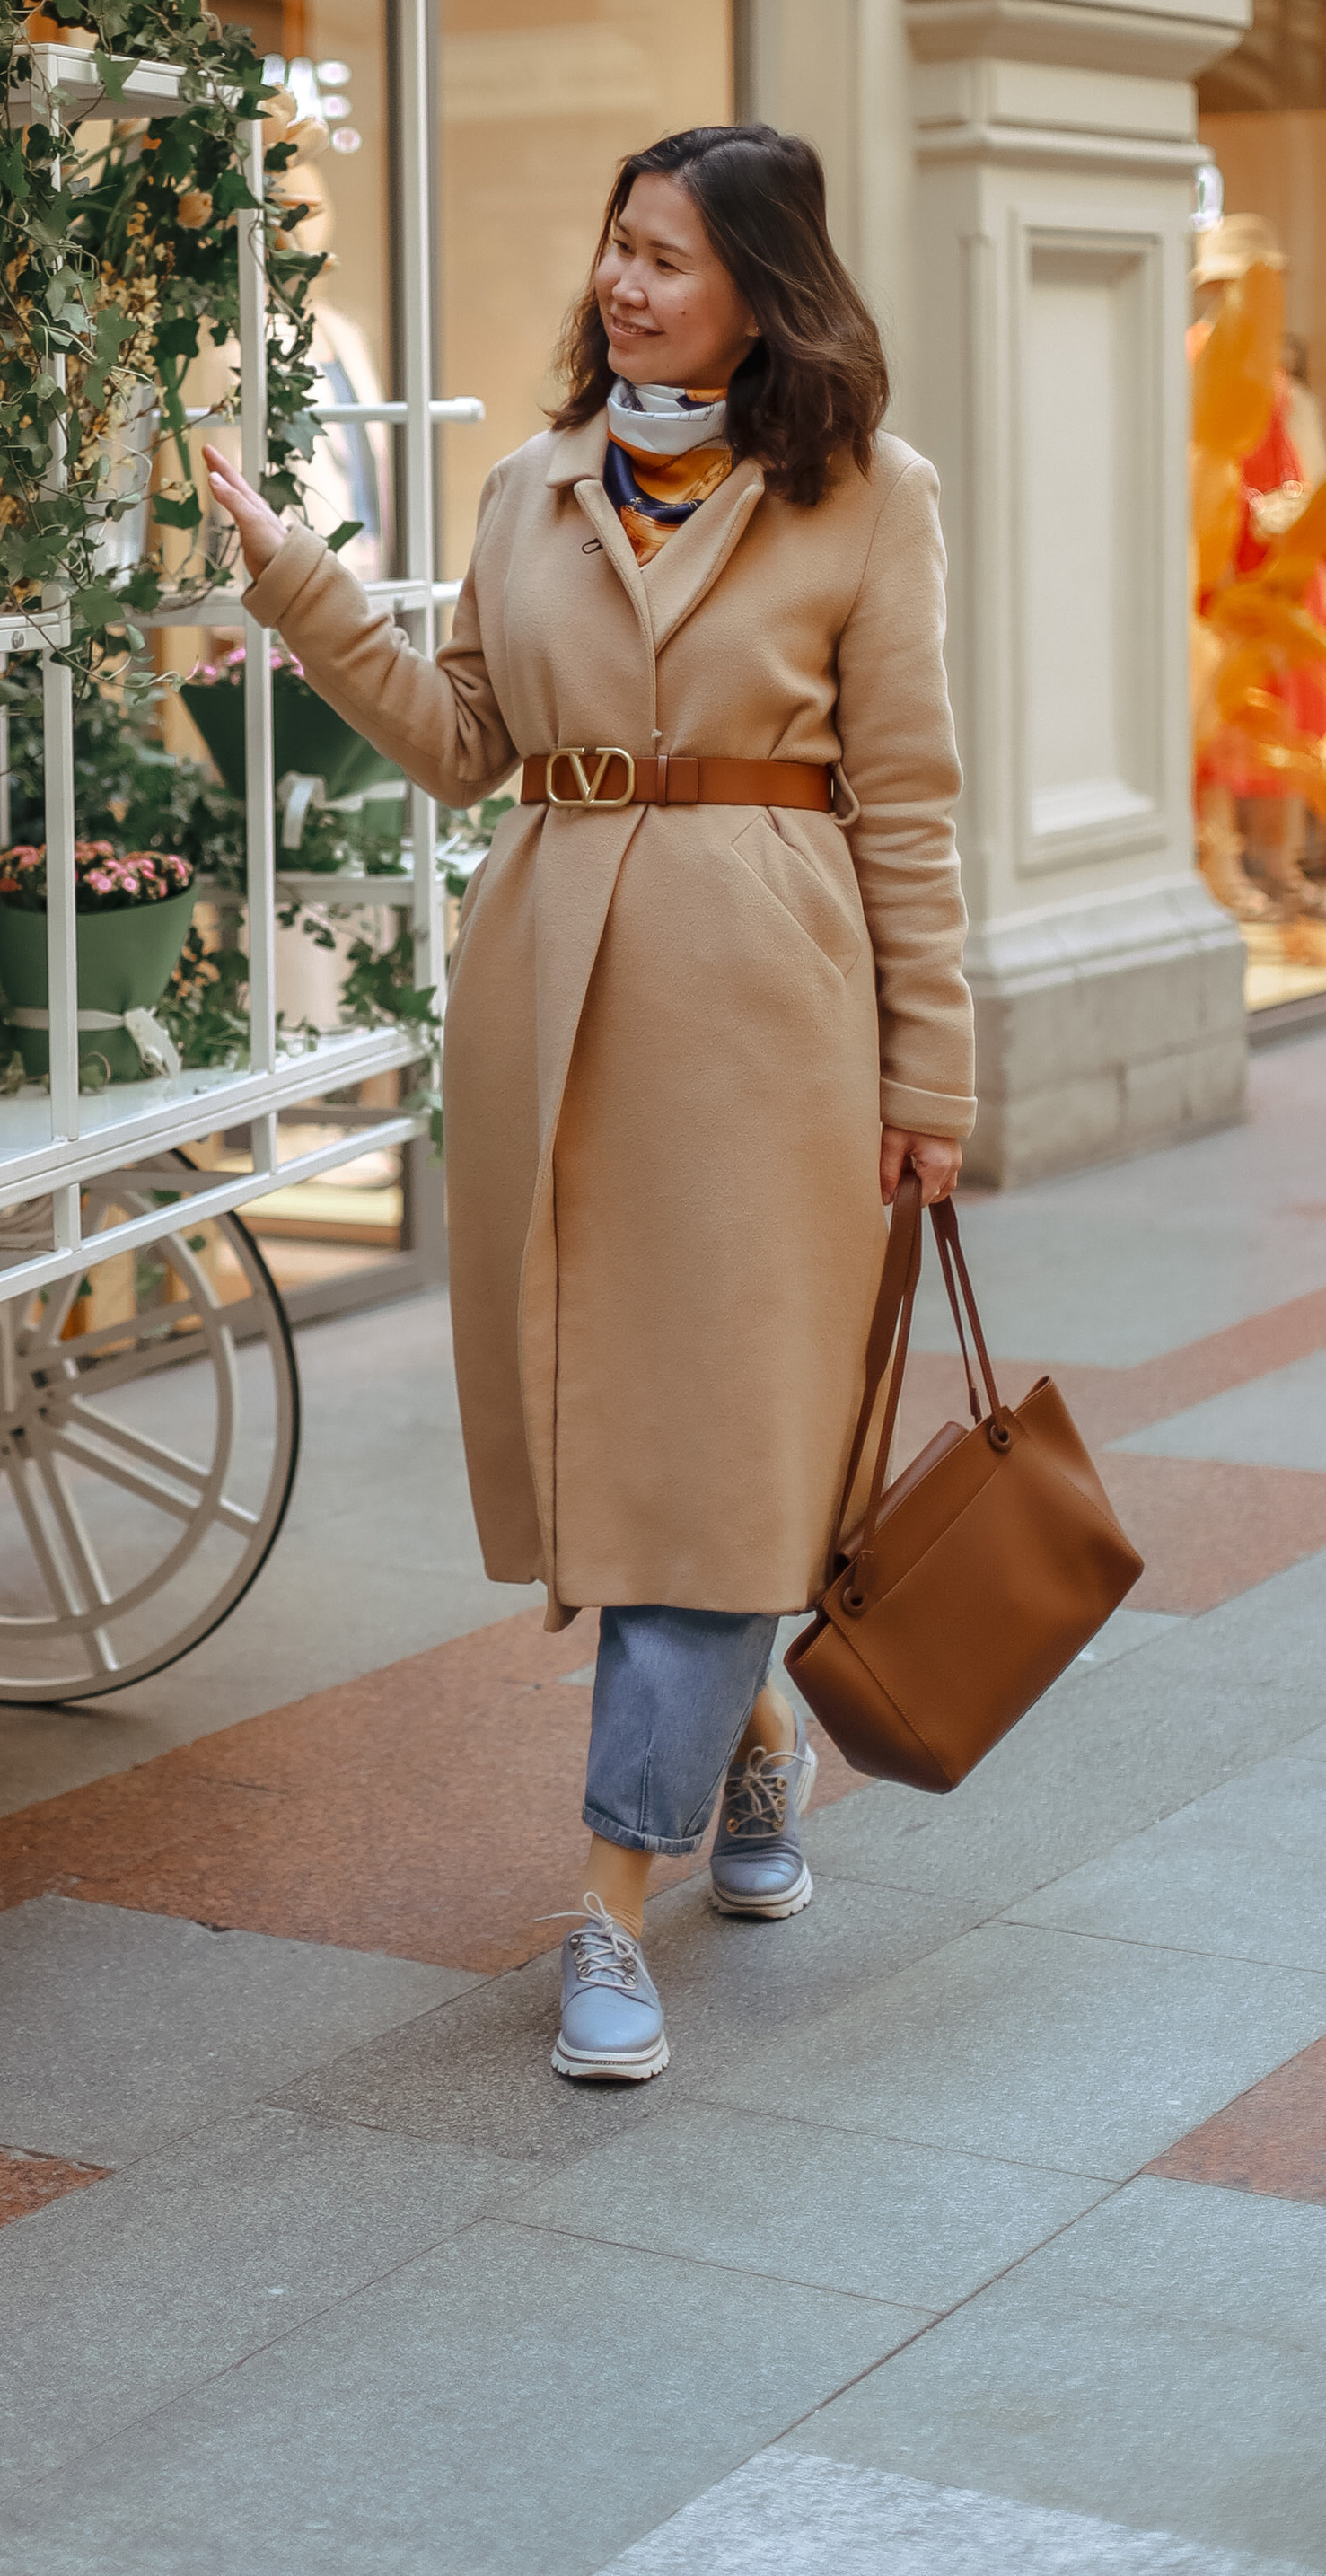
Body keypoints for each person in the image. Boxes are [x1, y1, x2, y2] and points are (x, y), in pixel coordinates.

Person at [205, 123, 974, 2086]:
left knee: (711, 1459)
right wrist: (296, 583)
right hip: (553, 1015)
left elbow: (904, 802)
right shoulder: (524, 486)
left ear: (759, 290)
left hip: (765, 1027)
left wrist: (928, 1069)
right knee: (641, 1443)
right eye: (615, 250)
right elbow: (463, 743)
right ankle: (752, 1744)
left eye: (668, 260)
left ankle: (606, 1909)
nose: (625, 285)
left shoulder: (869, 500)